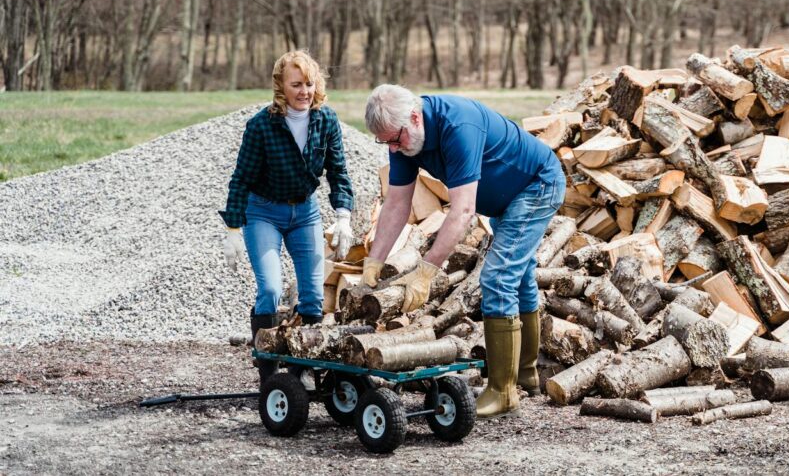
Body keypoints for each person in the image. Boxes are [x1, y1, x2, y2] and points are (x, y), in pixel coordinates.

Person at [362, 85, 565, 419]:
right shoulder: (403, 138)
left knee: (498, 277)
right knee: (520, 273)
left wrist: (427, 272)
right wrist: (375, 259)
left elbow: (463, 212)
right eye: (386, 143)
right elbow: (397, 202)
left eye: (395, 140)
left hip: (537, 185)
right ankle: (527, 374)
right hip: (507, 196)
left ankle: (504, 392)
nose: (393, 148)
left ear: (414, 118)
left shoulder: (458, 126)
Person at [219, 50, 356, 385]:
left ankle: (302, 371)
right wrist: (233, 228)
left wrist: (343, 217)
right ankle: (269, 372)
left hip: (305, 212)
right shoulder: (261, 126)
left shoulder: (326, 120)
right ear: (281, 85)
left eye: (309, 83)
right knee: (270, 288)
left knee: (311, 295)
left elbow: (338, 172)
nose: (304, 91)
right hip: (263, 211)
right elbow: (241, 179)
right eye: (296, 84)